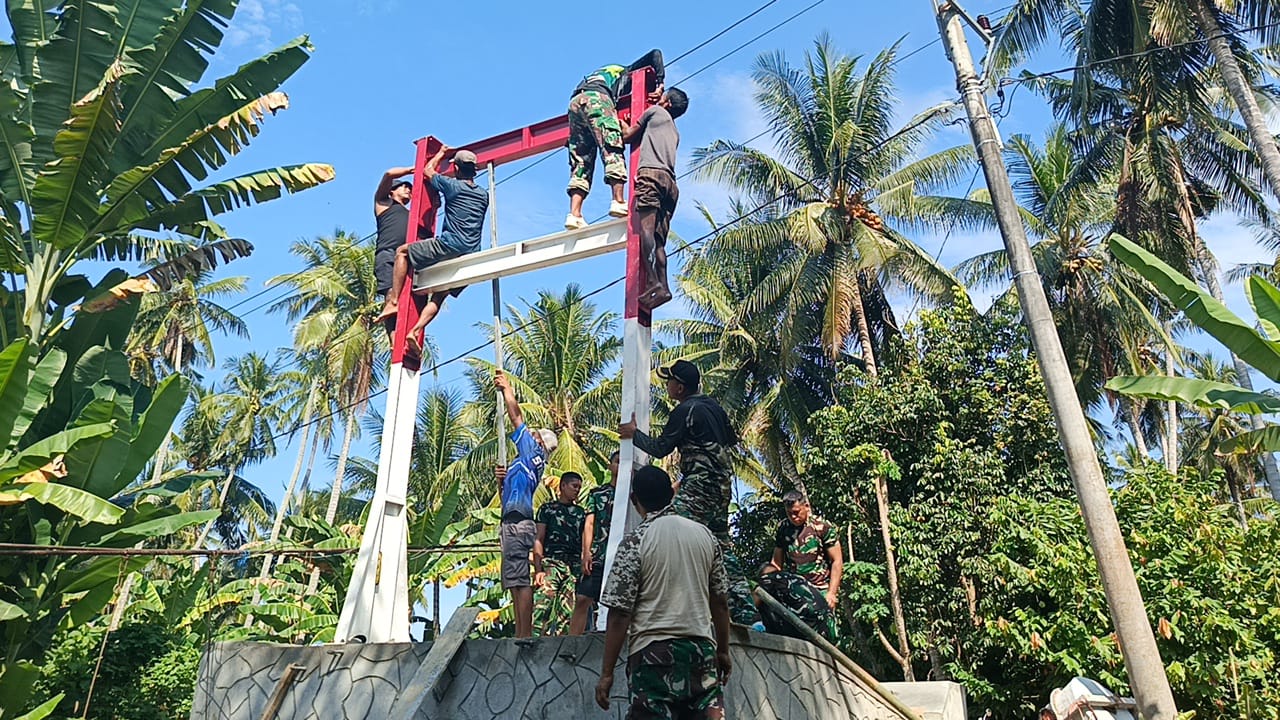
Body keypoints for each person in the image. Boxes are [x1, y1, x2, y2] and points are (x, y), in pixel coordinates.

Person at [618, 359, 760, 625]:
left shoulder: (685, 410)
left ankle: (665, 606)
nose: (667, 385)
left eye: (669, 381)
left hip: (701, 483)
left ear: (680, 388)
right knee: (721, 548)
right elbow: (729, 439)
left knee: (665, 528)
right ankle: (749, 617)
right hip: (722, 486)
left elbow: (661, 448)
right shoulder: (713, 407)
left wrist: (633, 434)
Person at [595, 465, 731, 718]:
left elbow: (619, 614)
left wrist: (606, 673)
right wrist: (722, 650)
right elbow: (720, 602)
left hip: (652, 656)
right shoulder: (705, 536)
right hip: (701, 654)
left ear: (635, 500)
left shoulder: (635, 542)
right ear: (672, 493)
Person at [378, 145, 489, 355]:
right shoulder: (483, 195)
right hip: (471, 252)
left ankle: (393, 302)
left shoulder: (451, 185)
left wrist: (439, 154)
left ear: (455, 167)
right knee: (439, 295)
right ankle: (416, 330)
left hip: (450, 244)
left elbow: (428, 171)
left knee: (402, 252)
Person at [565, 49, 665, 231]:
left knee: (581, 160)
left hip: (575, 102)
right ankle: (618, 201)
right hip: (597, 98)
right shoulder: (627, 72)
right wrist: (659, 84)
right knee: (612, 146)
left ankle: (574, 215)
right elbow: (655, 54)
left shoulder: (603, 74)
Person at [494, 369, 558, 639]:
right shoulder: (529, 463)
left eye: (533, 434)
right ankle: (522, 632)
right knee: (515, 579)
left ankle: (524, 634)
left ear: (539, 441)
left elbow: (516, 416)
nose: (528, 434)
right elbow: (507, 495)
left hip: (517, 522)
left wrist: (507, 389)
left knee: (519, 580)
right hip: (516, 519)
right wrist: (502, 480)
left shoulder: (532, 450)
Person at [621, 87, 688, 310]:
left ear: (666, 102)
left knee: (646, 231)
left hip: (651, 174)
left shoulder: (655, 112)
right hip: (670, 183)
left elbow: (628, 136)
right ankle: (663, 285)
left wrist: (620, 122)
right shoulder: (675, 131)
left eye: (662, 97)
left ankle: (651, 281)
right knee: (659, 240)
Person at [532, 471, 586, 636]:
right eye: (574, 486)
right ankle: (531, 642)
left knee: (567, 612)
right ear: (563, 486)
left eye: (579, 487)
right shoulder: (547, 509)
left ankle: (561, 647)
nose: (577, 490)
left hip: (574, 566)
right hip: (552, 564)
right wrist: (538, 569)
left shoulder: (581, 513)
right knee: (542, 606)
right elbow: (538, 539)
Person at [772, 490, 843, 612]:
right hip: (794, 589)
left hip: (820, 589)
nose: (793, 517)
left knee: (823, 628)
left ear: (806, 507)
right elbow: (776, 564)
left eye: (796, 512)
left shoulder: (821, 526)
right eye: (789, 514)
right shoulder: (783, 529)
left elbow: (837, 560)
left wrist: (832, 593)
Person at [576, 450, 620, 631]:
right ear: (609, 466)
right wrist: (586, 552)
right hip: (599, 554)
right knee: (583, 598)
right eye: (617, 461)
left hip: (623, 555)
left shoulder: (634, 493)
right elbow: (589, 523)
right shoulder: (598, 493)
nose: (620, 464)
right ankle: (572, 642)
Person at [756, 563, 836, 641]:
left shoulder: (768, 579)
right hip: (830, 631)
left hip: (811, 631)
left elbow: (754, 601)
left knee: (763, 600)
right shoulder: (798, 578)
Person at [373, 167, 416, 303]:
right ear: (391, 191)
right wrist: (412, 170)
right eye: (403, 186)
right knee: (391, 295)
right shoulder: (384, 203)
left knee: (409, 299)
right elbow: (388, 174)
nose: (408, 189)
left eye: (409, 188)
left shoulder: (412, 215)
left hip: (407, 258)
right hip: (388, 253)